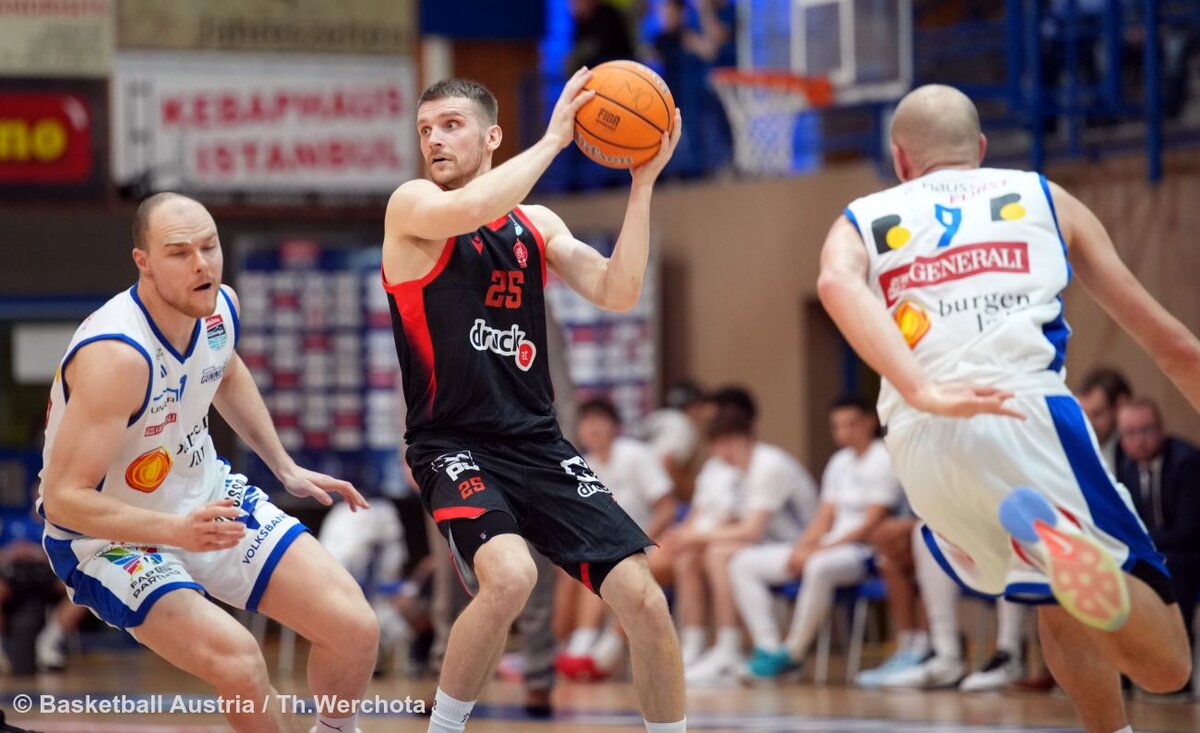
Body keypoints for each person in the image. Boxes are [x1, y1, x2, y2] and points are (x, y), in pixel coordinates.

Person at [818, 83, 1196, 733]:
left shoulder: (862, 215)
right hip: (1025, 415)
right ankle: (1062, 545)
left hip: (920, 442)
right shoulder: (1044, 197)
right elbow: (1175, 348)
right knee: (1168, 668)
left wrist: (922, 390)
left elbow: (834, 282)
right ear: (982, 149)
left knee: (1052, 594)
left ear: (900, 159)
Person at [381, 73, 684, 733]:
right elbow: (469, 210)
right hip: (453, 443)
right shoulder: (411, 205)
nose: (434, 139)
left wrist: (641, 185)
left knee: (645, 598)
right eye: (426, 129)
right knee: (511, 576)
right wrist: (554, 140)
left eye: (451, 125)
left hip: (539, 443)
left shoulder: (535, 224)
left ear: (492, 136)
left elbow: (618, 289)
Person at [37, 193, 379, 733]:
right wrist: (175, 531)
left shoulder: (221, 308)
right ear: (143, 262)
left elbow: (225, 370)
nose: (201, 264)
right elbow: (62, 500)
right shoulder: (117, 356)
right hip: (107, 537)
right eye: (179, 252)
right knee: (240, 663)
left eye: (209, 246)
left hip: (204, 498)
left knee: (354, 626)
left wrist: (283, 465)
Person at [730, 395, 900, 680]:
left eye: (850, 424)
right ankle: (768, 647)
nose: (843, 432)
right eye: (837, 426)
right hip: (829, 544)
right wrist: (803, 547)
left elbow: (872, 521)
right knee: (742, 563)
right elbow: (824, 516)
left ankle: (793, 652)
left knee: (818, 565)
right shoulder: (839, 461)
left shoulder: (883, 459)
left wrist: (821, 549)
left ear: (869, 422)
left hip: (861, 551)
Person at [681, 400, 819, 683]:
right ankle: (754, 647)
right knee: (703, 555)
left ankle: (729, 646)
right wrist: (691, 536)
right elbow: (734, 523)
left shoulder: (769, 464)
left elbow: (752, 530)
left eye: (730, 442)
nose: (724, 451)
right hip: (770, 547)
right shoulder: (736, 471)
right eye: (717, 444)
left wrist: (698, 535)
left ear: (748, 437)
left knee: (719, 554)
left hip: (803, 546)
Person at [556, 396, 678, 681]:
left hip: (648, 543)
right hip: (608, 549)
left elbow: (667, 507)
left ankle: (607, 649)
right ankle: (577, 643)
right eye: (587, 422)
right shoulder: (581, 464)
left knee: (615, 568)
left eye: (599, 421)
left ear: (615, 426)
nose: (593, 428)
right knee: (578, 567)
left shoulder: (635, 455)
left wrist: (639, 539)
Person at [1116, 396, 1200, 687]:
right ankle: (1127, 672)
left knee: (1171, 571)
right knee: (1117, 573)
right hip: (1153, 552)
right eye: (1130, 433)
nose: (1139, 440)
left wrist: (1143, 545)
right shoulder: (1127, 467)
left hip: (1187, 555)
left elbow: (1188, 531)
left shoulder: (1187, 463)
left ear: (1161, 429)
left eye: (1146, 430)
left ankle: (1177, 675)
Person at [1077, 368, 1133, 472]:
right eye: (1083, 415)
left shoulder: (1137, 454)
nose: (1088, 424)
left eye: (1097, 414)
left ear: (1120, 406)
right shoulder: (1074, 449)